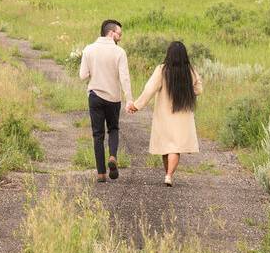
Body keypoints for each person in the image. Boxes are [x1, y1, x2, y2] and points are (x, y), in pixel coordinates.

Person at [126, 41, 203, 186]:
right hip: (183, 114)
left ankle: (168, 174)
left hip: (164, 115)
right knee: (175, 147)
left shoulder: (162, 70)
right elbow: (199, 89)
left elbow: (149, 89)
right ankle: (168, 175)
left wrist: (137, 105)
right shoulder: (190, 71)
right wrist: (186, 91)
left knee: (166, 146)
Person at [79, 19, 133, 183]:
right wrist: (129, 99)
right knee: (114, 129)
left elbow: (83, 76)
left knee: (97, 135)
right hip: (113, 98)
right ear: (111, 33)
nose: (120, 38)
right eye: (119, 34)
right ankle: (112, 156)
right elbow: (124, 78)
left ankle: (101, 173)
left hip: (95, 95)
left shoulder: (89, 49)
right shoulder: (119, 52)